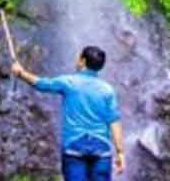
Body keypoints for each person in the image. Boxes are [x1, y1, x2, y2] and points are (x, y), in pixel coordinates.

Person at [12, 45, 126, 179]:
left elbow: (42, 84)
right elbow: (114, 122)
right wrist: (120, 152)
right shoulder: (107, 90)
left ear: (82, 61)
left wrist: (21, 73)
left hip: (74, 147)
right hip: (101, 149)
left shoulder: (69, 82)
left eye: (78, 57)